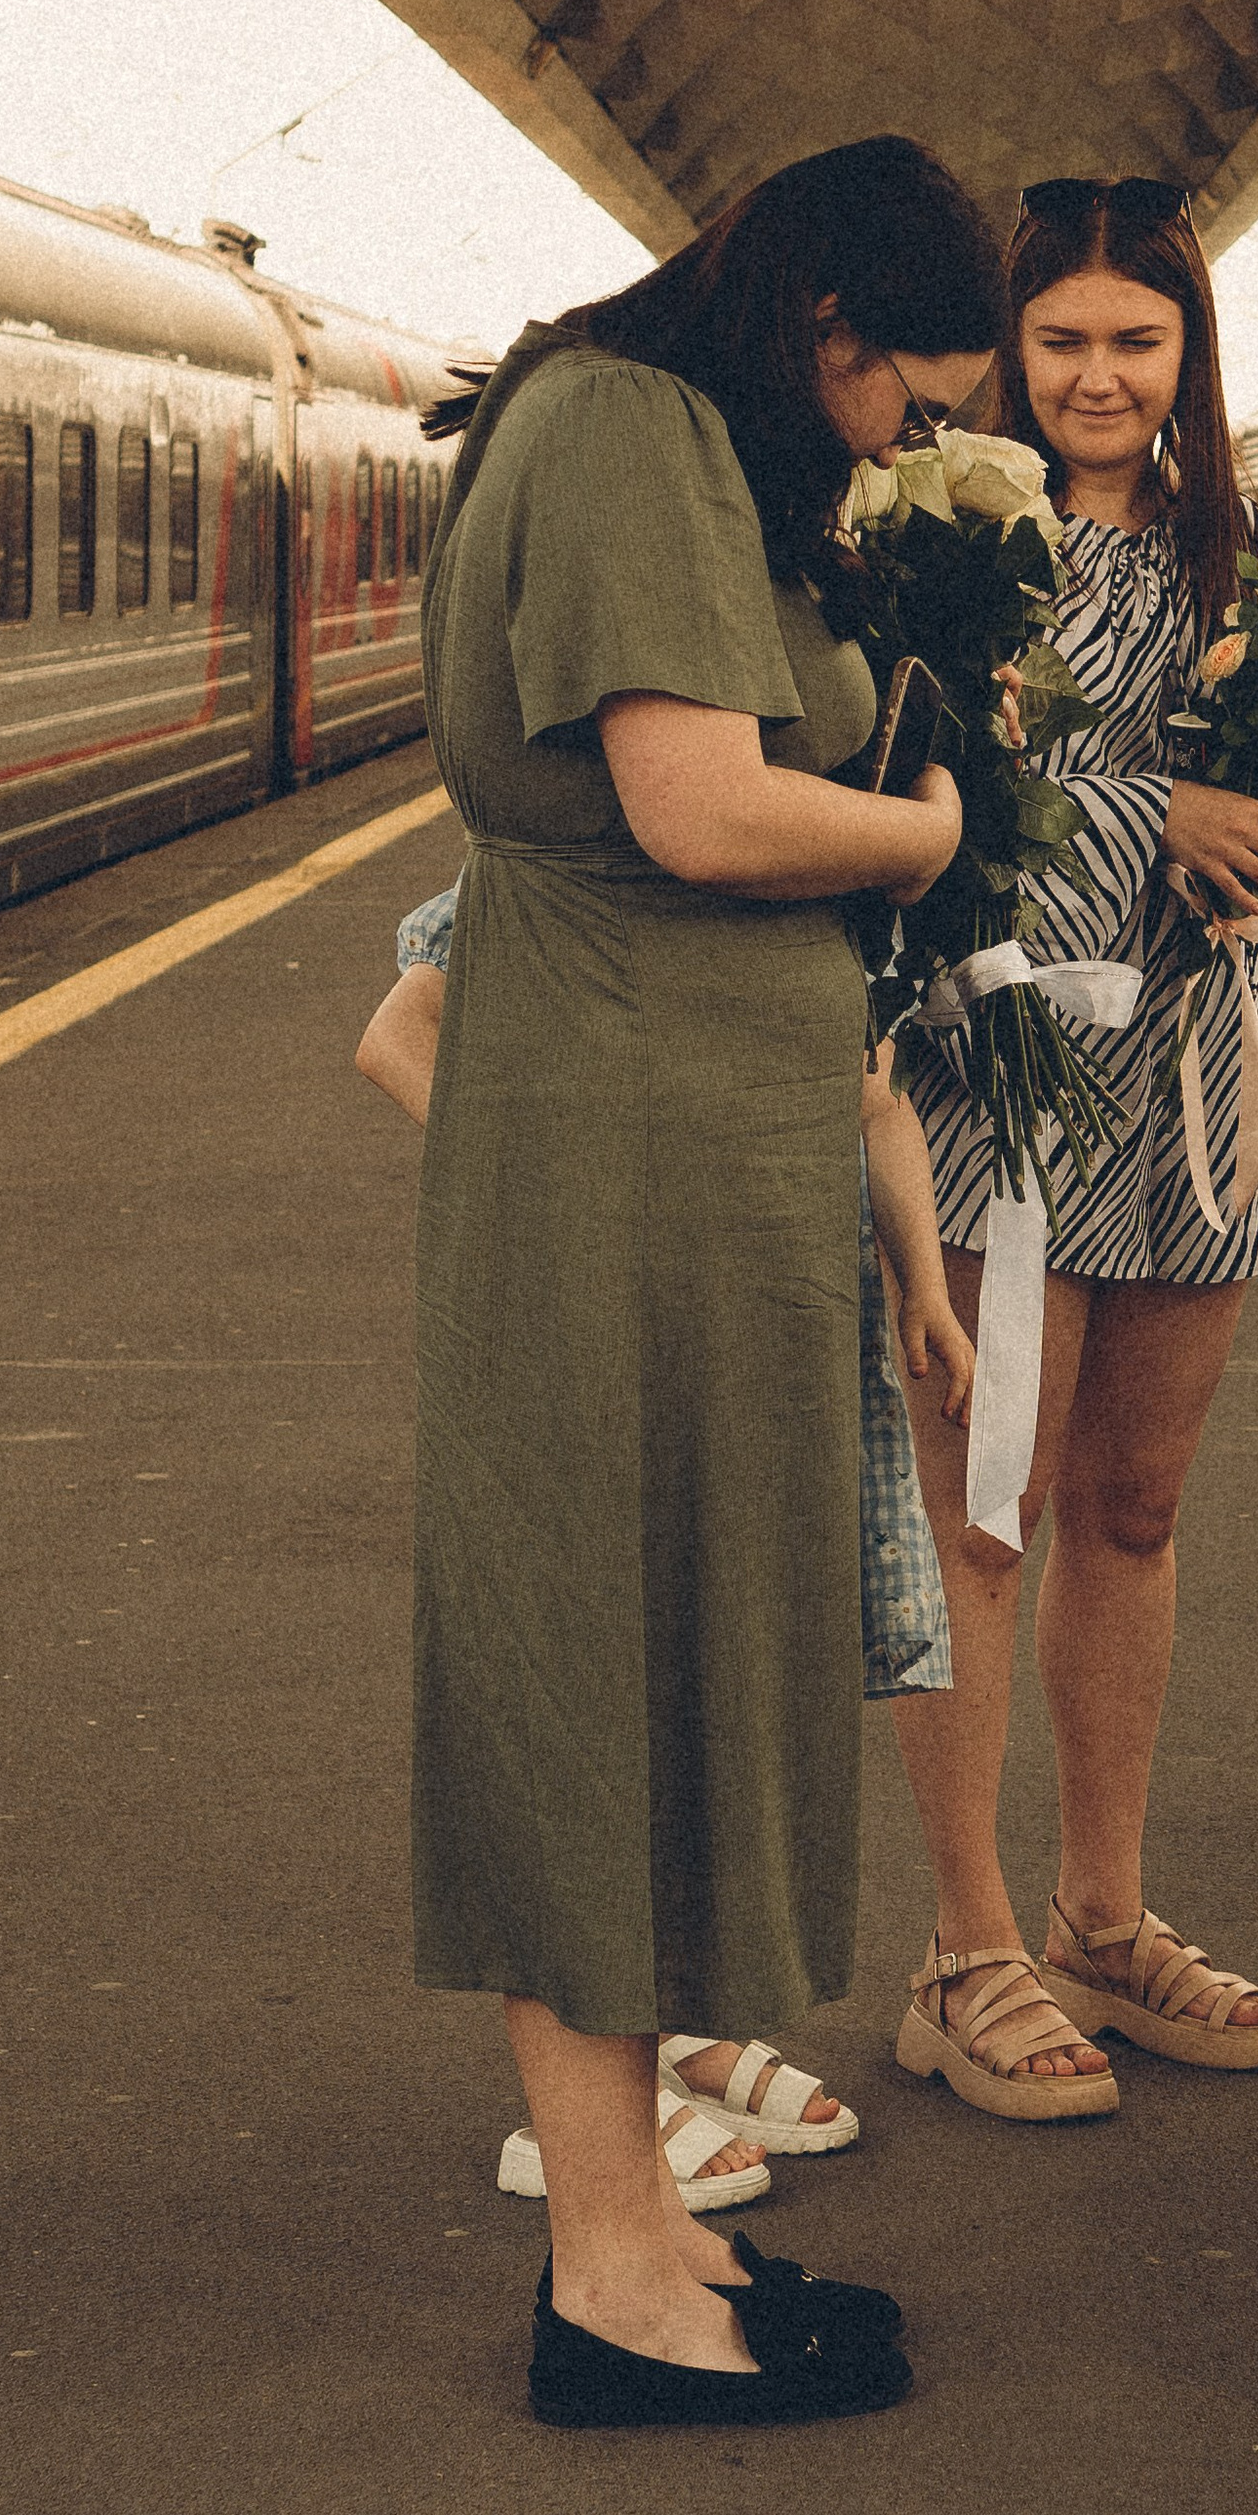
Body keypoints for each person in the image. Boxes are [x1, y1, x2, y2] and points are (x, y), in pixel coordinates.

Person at [413, 134, 1001, 2426]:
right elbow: (697, 804)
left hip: (680, 1144)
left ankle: (642, 2233)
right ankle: (605, 2281)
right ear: (818, 325)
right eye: (903, 396)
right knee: (596, 1660)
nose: (903, 441)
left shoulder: (653, 423)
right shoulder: (634, 425)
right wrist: (930, 831)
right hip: (615, 1155)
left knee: (657, 1661)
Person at [890, 175, 1258, 2115]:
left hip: (1197, 1105)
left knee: (1136, 1513)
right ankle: (963, 1951)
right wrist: (1148, 820)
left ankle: (1102, 1913)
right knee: (983, 1517)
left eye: (1131, 340)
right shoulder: (930, 554)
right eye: (1061, 337)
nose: (1094, 375)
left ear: (1186, 356)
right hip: (1000, 1080)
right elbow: (916, 821)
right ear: (1009, 349)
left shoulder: (1253, 568)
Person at [361, 919, 970, 2203]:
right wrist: (552, 1194)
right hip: (612, 1316)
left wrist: (923, 1280)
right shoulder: (569, 869)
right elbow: (397, 1036)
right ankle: (587, 2104)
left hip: (758, 1327)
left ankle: (672, 2029)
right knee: (607, 1677)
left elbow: (873, 1097)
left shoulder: (819, 884)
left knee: (707, 1671)